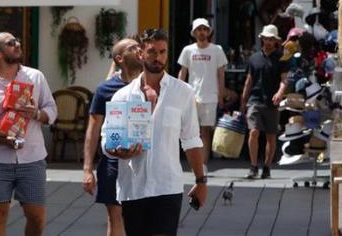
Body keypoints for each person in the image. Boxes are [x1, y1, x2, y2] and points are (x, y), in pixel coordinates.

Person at [105, 28, 208, 236]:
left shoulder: (183, 92)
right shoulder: (122, 96)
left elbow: (191, 140)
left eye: (162, 52)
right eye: (152, 52)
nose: (158, 57)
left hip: (167, 185)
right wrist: (118, 151)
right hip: (133, 186)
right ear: (141, 54)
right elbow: (108, 140)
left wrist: (200, 181)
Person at [0, 32, 58, 236]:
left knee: (36, 216)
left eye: (18, 41)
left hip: (32, 157)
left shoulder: (35, 77)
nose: (18, 44)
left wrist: (36, 113)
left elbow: (52, 109)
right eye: (11, 43)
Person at [82, 38, 144, 236]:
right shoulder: (105, 89)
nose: (139, 50)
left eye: (139, 46)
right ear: (119, 58)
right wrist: (87, 169)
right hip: (112, 160)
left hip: (144, 161)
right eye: (132, 48)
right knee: (114, 215)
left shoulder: (151, 85)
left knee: (139, 217)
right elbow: (93, 129)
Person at [177, 18, 232, 157]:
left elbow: (221, 74)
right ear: (194, 33)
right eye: (199, 30)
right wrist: (178, 93)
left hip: (210, 96)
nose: (201, 32)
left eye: (204, 29)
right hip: (192, 96)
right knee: (191, 132)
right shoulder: (188, 50)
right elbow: (183, 72)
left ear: (208, 32)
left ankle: (203, 165)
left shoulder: (216, 50)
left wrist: (221, 95)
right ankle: (195, 162)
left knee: (206, 132)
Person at [241, 25, 288, 179]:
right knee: (253, 132)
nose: (268, 42)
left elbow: (284, 80)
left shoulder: (281, 58)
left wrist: (280, 92)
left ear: (276, 41)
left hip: (271, 102)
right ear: (262, 39)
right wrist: (243, 100)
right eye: (266, 39)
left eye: (271, 39)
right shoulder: (254, 58)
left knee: (271, 136)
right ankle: (253, 166)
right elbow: (249, 80)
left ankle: (267, 166)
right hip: (254, 100)